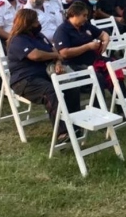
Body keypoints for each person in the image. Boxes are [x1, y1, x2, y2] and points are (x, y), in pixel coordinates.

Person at [6, 9, 80, 143]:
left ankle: (75, 124)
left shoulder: (39, 36)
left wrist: (58, 62)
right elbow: (35, 55)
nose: (37, 23)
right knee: (50, 92)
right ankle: (62, 133)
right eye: (34, 21)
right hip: (24, 80)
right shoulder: (18, 40)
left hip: (45, 75)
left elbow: (54, 51)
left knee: (71, 87)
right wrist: (56, 56)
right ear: (26, 24)